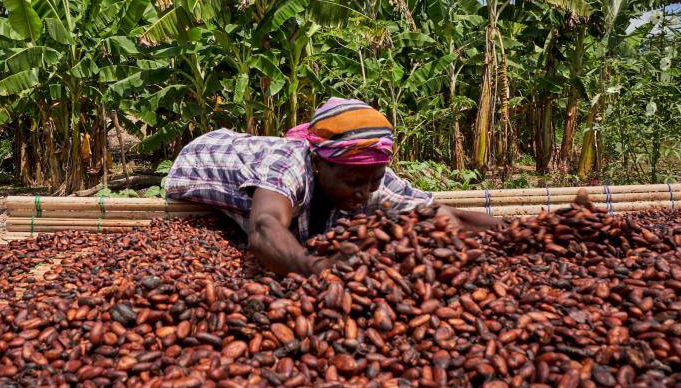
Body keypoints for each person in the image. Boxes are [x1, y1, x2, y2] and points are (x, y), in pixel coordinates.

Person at [164, 98, 502, 276]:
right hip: (204, 156)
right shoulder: (288, 165)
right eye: (354, 181)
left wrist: (522, 230)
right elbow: (264, 229)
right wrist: (313, 268)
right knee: (286, 223)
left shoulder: (370, 176)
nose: (365, 192)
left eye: (374, 180)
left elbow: (439, 214)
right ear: (317, 163)